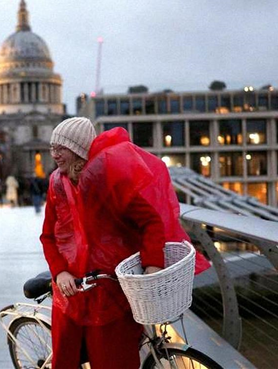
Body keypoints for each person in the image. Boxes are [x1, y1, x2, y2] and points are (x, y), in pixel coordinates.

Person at [40, 117, 209, 369]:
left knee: (114, 361)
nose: (54, 154)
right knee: (65, 360)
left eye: (60, 147)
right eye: (52, 147)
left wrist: (152, 265)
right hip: (71, 291)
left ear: (77, 150)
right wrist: (60, 272)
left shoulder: (108, 180)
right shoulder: (57, 184)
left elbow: (151, 222)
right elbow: (49, 236)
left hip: (110, 291)